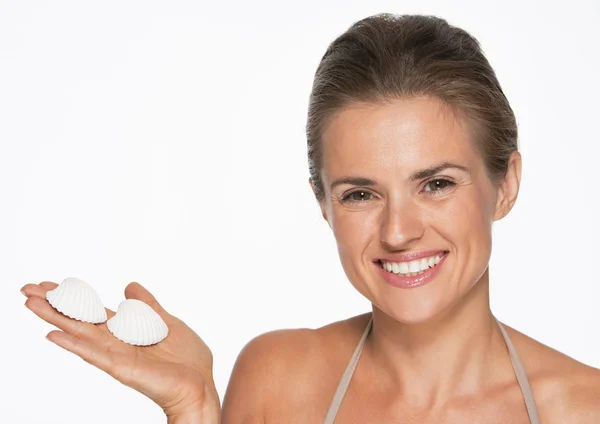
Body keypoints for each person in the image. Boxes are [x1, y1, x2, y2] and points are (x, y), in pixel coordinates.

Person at [21, 13, 600, 423]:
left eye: (437, 184)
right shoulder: (277, 381)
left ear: (506, 185)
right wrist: (194, 408)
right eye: (359, 195)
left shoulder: (584, 408)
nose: (399, 231)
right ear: (323, 204)